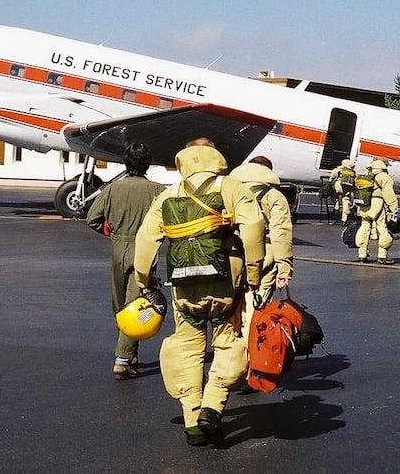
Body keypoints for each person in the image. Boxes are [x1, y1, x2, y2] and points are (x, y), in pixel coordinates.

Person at [133, 143, 266, 447]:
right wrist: (254, 274)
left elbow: (145, 240)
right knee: (227, 343)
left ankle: (193, 424)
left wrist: (146, 282)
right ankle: (212, 406)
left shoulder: (170, 194)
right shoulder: (231, 187)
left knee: (188, 351)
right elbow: (254, 227)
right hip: (225, 287)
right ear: (217, 160)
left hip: (183, 289)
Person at [86, 142, 166, 380]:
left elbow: (92, 219)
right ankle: (122, 360)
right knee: (136, 306)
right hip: (145, 251)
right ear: (148, 164)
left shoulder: (111, 189)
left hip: (118, 249)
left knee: (120, 305)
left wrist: (112, 234)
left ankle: (129, 354)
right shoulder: (159, 190)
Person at [230, 155, 294, 334]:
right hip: (265, 252)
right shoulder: (274, 196)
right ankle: (252, 346)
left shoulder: (230, 191)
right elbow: (281, 233)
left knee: (233, 301)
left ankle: (233, 349)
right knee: (257, 301)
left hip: (233, 250)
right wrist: (284, 269)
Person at [354, 158, 398, 264]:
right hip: (377, 203)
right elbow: (388, 194)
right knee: (382, 227)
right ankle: (382, 255)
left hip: (364, 204)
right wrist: (394, 208)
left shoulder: (365, 175)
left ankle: (362, 254)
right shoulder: (383, 177)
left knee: (364, 227)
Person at [328, 158, 357, 224]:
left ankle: (336, 206)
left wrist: (330, 181)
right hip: (347, 188)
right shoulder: (352, 172)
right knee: (346, 200)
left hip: (338, 185)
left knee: (334, 192)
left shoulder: (338, 169)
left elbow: (332, 176)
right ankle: (344, 219)